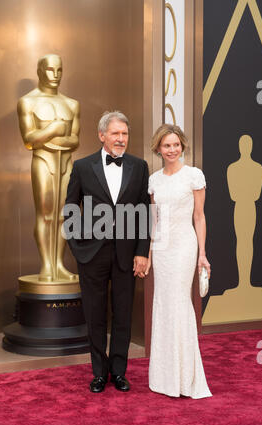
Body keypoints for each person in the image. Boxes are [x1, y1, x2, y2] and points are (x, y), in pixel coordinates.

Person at [64, 111, 150, 392]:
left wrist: (142, 251)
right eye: (115, 133)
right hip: (92, 253)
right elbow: (70, 209)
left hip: (127, 253)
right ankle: (99, 373)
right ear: (102, 135)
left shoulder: (139, 166)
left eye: (124, 134)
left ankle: (119, 372)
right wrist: (77, 247)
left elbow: (144, 213)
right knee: (95, 314)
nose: (121, 139)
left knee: (123, 314)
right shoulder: (82, 166)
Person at [146, 124, 212, 399]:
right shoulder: (154, 180)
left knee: (179, 302)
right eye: (166, 145)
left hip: (184, 245)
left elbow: (199, 216)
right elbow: (153, 221)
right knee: (162, 304)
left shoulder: (194, 176)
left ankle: (186, 377)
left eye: (176, 145)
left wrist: (202, 254)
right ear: (158, 149)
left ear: (182, 146)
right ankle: (164, 376)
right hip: (161, 248)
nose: (172, 150)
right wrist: (147, 253)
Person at [17, 54, 80, 282]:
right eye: (50, 70)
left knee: (63, 214)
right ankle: (46, 265)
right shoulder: (27, 102)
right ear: (39, 71)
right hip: (43, 162)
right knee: (45, 214)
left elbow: (75, 141)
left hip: (65, 163)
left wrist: (50, 139)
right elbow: (28, 139)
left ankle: (59, 264)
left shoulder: (71, 104)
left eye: (59, 70)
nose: (55, 75)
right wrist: (53, 130)